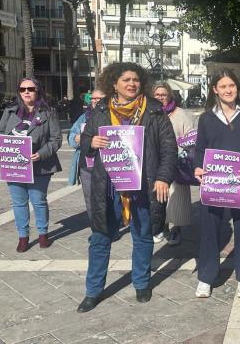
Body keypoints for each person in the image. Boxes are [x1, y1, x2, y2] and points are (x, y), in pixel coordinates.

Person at [77, 62, 177, 313]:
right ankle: (93, 291)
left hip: (143, 184)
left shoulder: (154, 111)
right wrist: (92, 141)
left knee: (142, 235)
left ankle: (141, 283)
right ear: (114, 84)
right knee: (100, 236)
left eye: (135, 79)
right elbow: (86, 140)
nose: (132, 84)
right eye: (126, 80)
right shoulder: (100, 110)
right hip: (107, 185)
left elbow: (168, 148)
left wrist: (163, 177)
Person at [193, 70, 240, 299]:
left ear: (237, 87)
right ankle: (206, 277)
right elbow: (199, 150)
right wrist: (197, 168)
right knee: (210, 231)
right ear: (215, 90)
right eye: (223, 87)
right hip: (213, 184)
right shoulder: (206, 118)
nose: (228, 90)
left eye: (231, 85)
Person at [0, 77, 62, 252]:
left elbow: (56, 139)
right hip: (14, 166)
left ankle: (42, 234)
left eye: (30, 89)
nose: (26, 92)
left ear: (37, 91)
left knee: (38, 201)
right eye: (22, 89)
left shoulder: (49, 112)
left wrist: (41, 154)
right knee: (18, 203)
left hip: (40, 165)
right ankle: (23, 236)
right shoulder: (10, 111)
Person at [152, 82, 196, 246]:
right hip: (156, 162)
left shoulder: (180, 114)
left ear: (170, 95)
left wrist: (181, 144)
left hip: (178, 162)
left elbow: (191, 135)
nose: (160, 97)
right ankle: (160, 226)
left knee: (177, 197)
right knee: (159, 196)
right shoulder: (151, 113)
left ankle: (176, 229)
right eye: (157, 95)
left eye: (163, 94)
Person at [68, 89, 106, 219]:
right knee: (89, 198)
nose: (95, 101)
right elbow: (71, 135)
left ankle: (110, 227)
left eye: (99, 98)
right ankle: (96, 228)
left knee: (107, 198)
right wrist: (75, 138)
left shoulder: (112, 116)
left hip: (107, 164)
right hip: (86, 165)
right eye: (93, 99)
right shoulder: (83, 117)